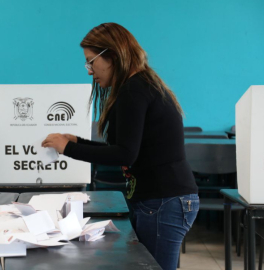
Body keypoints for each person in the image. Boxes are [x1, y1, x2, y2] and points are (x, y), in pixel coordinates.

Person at [42, 22, 199, 270]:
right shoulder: (142, 84)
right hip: (162, 198)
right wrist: (78, 142)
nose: (89, 71)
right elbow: (126, 147)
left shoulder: (134, 90)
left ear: (112, 55)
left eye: (91, 62)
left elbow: (125, 154)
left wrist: (69, 149)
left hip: (163, 200)